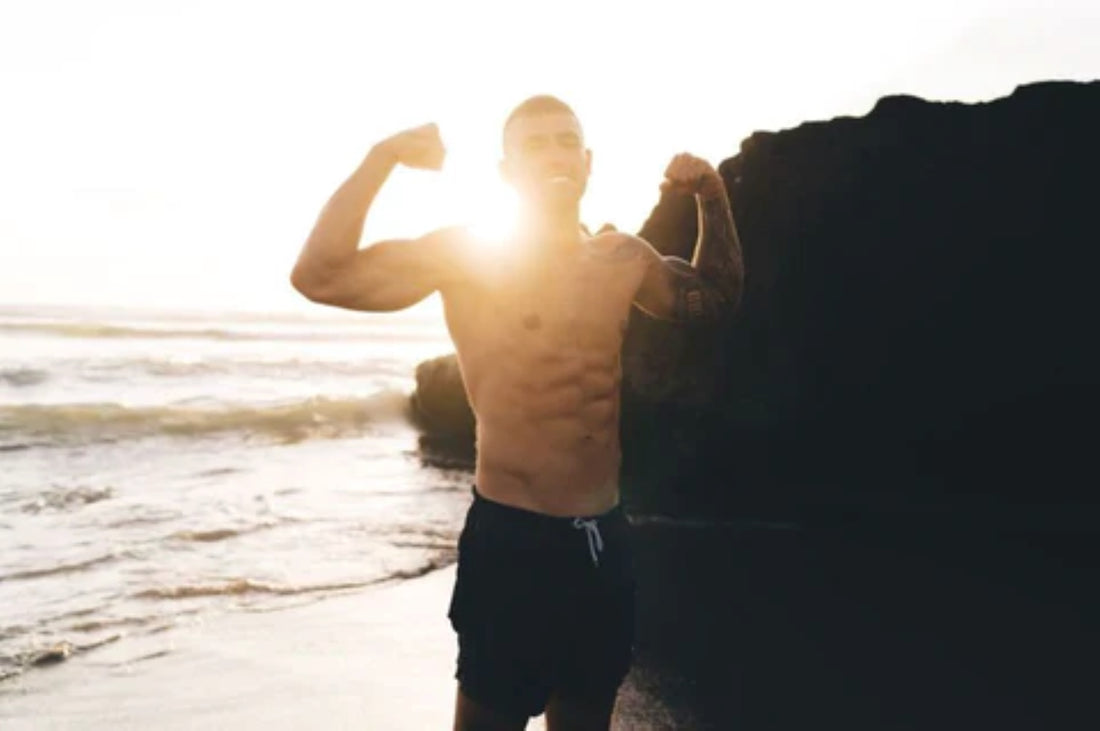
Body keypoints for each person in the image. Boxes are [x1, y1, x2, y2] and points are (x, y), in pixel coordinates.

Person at [291, 95, 744, 731]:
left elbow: (714, 299)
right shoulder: (468, 257)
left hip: (602, 540)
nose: (554, 155)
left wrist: (712, 194)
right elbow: (319, 275)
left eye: (566, 142)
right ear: (507, 172)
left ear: (588, 163)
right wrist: (384, 156)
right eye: (535, 145)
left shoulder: (624, 260)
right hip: (512, 544)